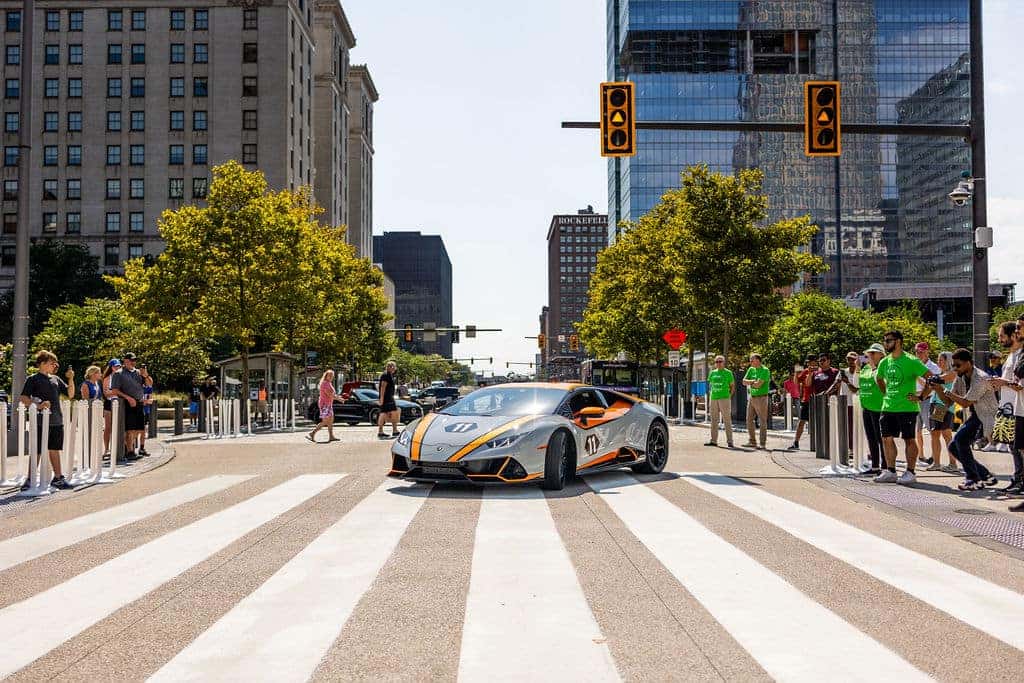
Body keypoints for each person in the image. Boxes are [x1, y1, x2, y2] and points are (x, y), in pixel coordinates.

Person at [932, 349, 1000, 491]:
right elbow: (948, 402)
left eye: (958, 365)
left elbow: (965, 402)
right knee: (953, 446)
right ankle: (984, 475)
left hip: (986, 416)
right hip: (974, 415)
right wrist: (938, 389)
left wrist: (945, 391)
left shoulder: (980, 378)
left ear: (968, 363)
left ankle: (973, 479)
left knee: (960, 441)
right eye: (954, 366)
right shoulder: (961, 376)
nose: (955, 369)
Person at [874, 330, 933, 485]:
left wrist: (921, 397)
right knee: (886, 438)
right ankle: (891, 471)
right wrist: (885, 393)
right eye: (885, 340)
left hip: (907, 407)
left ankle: (910, 472)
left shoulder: (911, 360)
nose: (886, 343)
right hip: (888, 406)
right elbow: (879, 379)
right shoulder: (884, 362)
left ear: (898, 341)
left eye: (889, 340)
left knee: (909, 439)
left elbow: (931, 378)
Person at [19, 350, 76, 490]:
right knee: (36, 450)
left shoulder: (55, 379)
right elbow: (24, 398)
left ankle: (58, 478)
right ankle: (30, 479)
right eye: (52, 363)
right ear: (43, 364)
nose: (55, 365)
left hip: (57, 420)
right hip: (40, 421)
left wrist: (70, 378)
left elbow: (70, 394)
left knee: (55, 449)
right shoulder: (33, 379)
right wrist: (38, 406)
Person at [990, 320, 1023, 493]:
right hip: (1007, 406)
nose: (1000, 339)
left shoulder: (1020, 356)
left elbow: (1018, 383)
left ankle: (1019, 481)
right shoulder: (1011, 355)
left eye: (1002, 336)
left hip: (1017, 407)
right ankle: (1017, 479)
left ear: (1013, 336)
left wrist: (1003, 382)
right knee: (1012, 445)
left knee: (1017, 446)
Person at [924, 351, 958, 472]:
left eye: (941, 360)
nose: (938, 362)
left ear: (947, 361)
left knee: (943, 434)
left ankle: (950, 464)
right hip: (939, 405)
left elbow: (936, 381)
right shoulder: (942, 373)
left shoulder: (951, 373)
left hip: (942, 406)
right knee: (938, 435)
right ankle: (941, 463)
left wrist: (931, 379)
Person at [109, 352, 147, 459]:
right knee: (129, 429)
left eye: (134, 360)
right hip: (127, 404)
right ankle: (129, 452)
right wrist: (128, 398)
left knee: (139, 429)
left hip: (139, 403)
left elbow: (149, 384)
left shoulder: (138, 373)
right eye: (131, 360)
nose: (133, 362)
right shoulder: (118, 373)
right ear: (125, 361)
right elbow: (115, 390)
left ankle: (131, 449)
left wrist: (146, 375)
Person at [856, 344, 886, 474]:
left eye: (874, 353)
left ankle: (886, 466)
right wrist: (857, 368)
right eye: (869, 354)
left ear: (881, 355)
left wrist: (874, 367)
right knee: (871, 437)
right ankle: (875, 466)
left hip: (879, 406)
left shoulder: (883, 367)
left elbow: (880, 382)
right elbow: (858, 384)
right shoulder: (866, 368)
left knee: (882, 438)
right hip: (867, 405)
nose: (870, 356)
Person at [912, 342, 941, 466]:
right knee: (916, 430)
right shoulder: (913, 365)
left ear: (927, 352)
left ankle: (934, 457)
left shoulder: (934, 367)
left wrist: (917, 376)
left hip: (928, 399)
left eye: (922, 352)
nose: (919, 354)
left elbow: (932, 385)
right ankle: (921, 455)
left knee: (932, 429)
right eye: (917, 352)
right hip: (914, 399)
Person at [829, 352, 860, 457]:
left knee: (855, 427)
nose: (851, 362)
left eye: (853, 359)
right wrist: (827, 393)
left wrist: (846, 382)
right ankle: (847, 448)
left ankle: (856, 448)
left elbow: (855, 390)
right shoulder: (843, 372)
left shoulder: (860, 372)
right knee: (845, 427)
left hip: (855, 404)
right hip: (844, 403)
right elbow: (836, 384)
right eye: (849, 359)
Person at [788, 355, 818, 450]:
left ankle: (820, 443)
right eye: (807, 362)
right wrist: (796, 373)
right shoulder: (805, 371)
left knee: (818, 423)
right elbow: (796, 383)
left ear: (815, 362)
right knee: (801, 422)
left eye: (810, 362)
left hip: (818, 400)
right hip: (806, 400)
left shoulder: (820, 371)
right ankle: (796, 442)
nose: (808, 363)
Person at [704, 355, 735, 448]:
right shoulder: (712, 373)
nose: (718, 363)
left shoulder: (728, 373)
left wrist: (729, 396)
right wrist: (710, 394)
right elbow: (710, 385)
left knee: (727, 420)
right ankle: (713, 441)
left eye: (720, 361)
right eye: (716, 362)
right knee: (714, 420)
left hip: (724, 398)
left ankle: (730, 441)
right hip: (714, 398)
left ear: (724, 362)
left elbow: (732, 386)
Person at [742, 353, 770, 449]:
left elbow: (759, 385)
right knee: (749, 420)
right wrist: (753, 381)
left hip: (762, 398)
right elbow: (743, 381)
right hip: (752, 397)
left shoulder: (765, 370)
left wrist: (750, 382)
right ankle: (752, 441)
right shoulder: (751, 369)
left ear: (758, 360)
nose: (750, 362)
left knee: (762, 421)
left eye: (752, 360)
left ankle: (762, 444)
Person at [307, 369, 338, 443]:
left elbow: (332, 394)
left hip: (328, 404)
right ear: (326, 376)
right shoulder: (324, 383)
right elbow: (329, 394)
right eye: (329, 375)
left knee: (330, 420)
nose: (331, 377)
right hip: (324, 404)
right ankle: (312, 433)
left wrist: (338, 398)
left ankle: (331, 436)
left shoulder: (329, 383)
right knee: (325, 421)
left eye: (332, 375)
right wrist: (339, 399)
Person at [102, 359, 121, 458]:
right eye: (115, 366)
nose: (117, 368)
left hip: (120, 403)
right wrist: (117, 392)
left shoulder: (122, 377)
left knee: (119, 426)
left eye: (118, 366)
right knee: (108, 427)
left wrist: (113, 391)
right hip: (109, 403)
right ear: (111, 367)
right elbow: (106, 393)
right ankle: (106, 449)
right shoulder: (107, 378)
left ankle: (119, 448)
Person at [377, 361, 400, 439]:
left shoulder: (389, 375)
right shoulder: (386, 375)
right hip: (387, 398)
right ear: (388, 367)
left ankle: (394, 430)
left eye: (394, 366)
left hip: (389, 397)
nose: (393, 368)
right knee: (385, 413)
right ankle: (383, 431)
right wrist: (381, 398)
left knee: (389, 413)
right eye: (392, 366)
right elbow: (383, 387)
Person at [138, 364, 154, 456]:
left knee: (143, 430)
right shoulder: (136, 379)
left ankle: (142, 448)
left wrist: (147, 401)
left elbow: (151, 399)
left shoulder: (148, 383)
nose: (143, 370)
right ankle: (130, 449)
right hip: (137, 408)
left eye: (144, 369)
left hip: (145, 410)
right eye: (142, 369)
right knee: (135, 430)